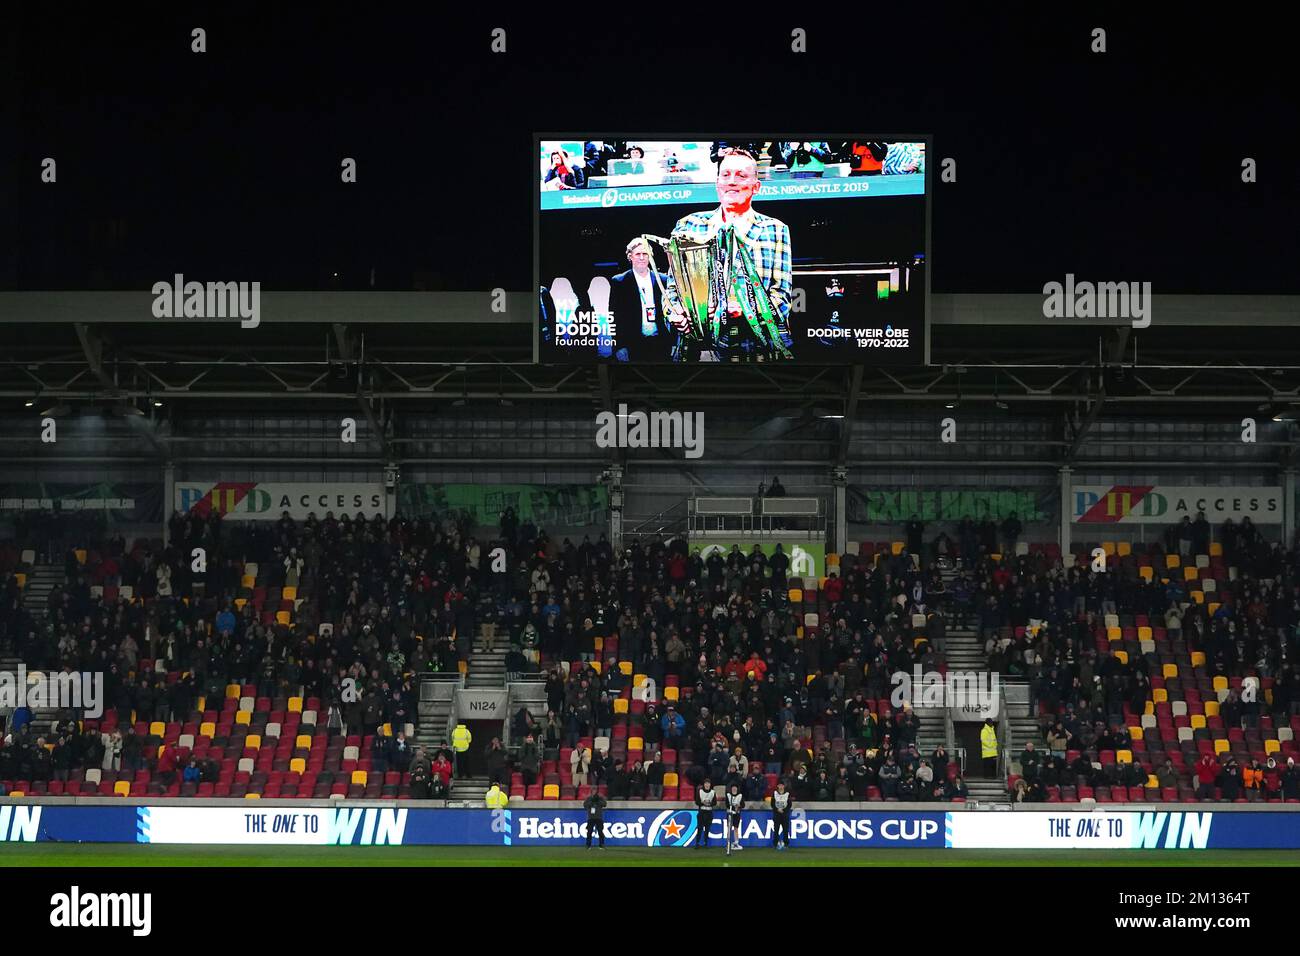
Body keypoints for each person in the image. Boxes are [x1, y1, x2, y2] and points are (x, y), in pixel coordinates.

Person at [661, 148, 793, 363]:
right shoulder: (689, 225)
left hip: (755, 355)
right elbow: (672, 292)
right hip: (694, 355)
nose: (732, 181)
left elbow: (781, 299)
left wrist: (743, 310)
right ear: (717, 183)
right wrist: (674, 313)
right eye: (726, 174)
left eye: (741, 176)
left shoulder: (775, 229)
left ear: (756, 187)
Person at [609, 237, 676, 363]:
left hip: (661, 342)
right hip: (633, 344)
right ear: (630, 256)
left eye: (645, 254)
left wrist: (673, 343)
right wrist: (619, 346)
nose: (641, 257)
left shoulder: (663, 280)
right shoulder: (619, 281)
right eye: (637, 254)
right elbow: (616, 317)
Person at [694, 778, 719, 849]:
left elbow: (715, 802)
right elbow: (697, 802)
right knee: (700, 828)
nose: (707, 785)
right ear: (704, 784)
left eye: (708, 783)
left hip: (709, 811)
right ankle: (697, 843)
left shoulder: (713, 792)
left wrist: (709, 803)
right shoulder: (700, 791)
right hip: (702, 811)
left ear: (710, 785)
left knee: (707, 828)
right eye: (706, 783)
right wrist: (703, 803)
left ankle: (706, 843)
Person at [771, 779, 793, 849]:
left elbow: (789, 804)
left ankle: (786, 843)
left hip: (785, 814)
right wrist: (777, 809)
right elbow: (772, 804)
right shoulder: (774, 793)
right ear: (777, 786)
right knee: (776, 829)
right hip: (777, 814)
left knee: (785, 829)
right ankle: (775, 843)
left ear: (784, 786)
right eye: (779, 785)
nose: (780, 787)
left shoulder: (787, 794)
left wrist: (784, 810)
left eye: (782, 785)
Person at [725, 783, 745, 850]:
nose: (734, 789)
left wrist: (739, 806)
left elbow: (743, 805)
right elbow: (727, 804)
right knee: (729, 828)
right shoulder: (728, 795)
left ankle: (736, 843)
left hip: (737, 814)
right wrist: (734, 807)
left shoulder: (740, 796)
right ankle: (728, 843)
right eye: (733, 787)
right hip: (730, 813)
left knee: (736, 828)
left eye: (735, 787)